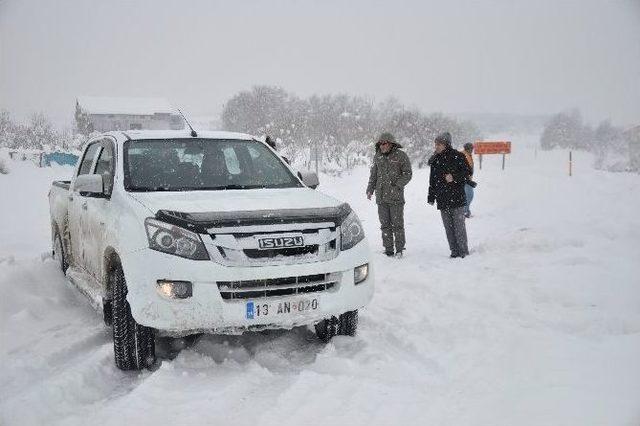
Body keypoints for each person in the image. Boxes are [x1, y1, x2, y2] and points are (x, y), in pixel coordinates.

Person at [366, 132, 412, 257]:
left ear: (391, 144)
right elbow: (373, 175)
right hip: (381, 198)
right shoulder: (377, 157)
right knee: (385, 225)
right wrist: (370, 189)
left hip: (395, 197)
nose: (382, 146)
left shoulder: (401, 156)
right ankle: (388, 249)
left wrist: (397, 185)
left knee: (397, 225)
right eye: (380, 143)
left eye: (384, 143)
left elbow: (408, 174)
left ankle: (399, 249)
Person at [427, 132, 472, 258]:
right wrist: (431, 196)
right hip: (442, 199)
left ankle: (463, 252)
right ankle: (454, 251)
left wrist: (454, 177)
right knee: (449, 229)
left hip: (457, 198)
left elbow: (467, 172)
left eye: (439, 144)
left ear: (446, 144)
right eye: (435, 144)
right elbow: (432, 180)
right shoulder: (435, 159)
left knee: (459, 228)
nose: (436, 146)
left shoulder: (458, 156)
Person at [461, 142, 475, 218]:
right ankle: (465, 211)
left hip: (466, 179)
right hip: (466, 180)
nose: (472, 150)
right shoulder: (465, 155)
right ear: (469, 148)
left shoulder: (467, 154)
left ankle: (466, 211)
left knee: (466, 195)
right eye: (471, 148)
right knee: (469, 195)